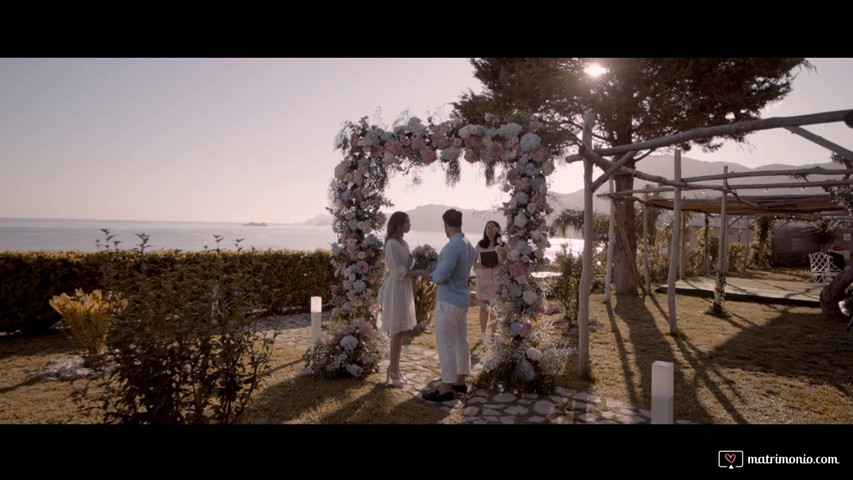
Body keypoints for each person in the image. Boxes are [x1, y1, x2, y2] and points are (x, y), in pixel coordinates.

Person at [421, 209, 476, 402]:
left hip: (448, 300)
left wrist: (430, 276)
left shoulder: (453, 246)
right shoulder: (468, 244)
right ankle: (459, 380)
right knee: (461, 341)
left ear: (445, 225)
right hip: (462, 298)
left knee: (446, 344)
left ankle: (445, 388)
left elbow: (442, 274)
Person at [377, 212, 430, 388]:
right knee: (397, 331)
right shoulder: (391, 244)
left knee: (402, 331)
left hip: (404, 287)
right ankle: (392, 369)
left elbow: (407, 266)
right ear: (399, 225)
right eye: (407, 222)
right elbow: (398, 271)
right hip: (396, 287)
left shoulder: (404, 243)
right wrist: (420, 272)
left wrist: (424, 261)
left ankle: (395, 369)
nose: (409, 225)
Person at [473, 221, 505, 343]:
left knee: (494, 307)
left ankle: (494, 334)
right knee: (483, 307)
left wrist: (501, 266)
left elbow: (508, 261)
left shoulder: (502, 245)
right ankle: (482, 334)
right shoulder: (480, 244)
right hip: (483, 278)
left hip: (496, 278)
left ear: (498, 230)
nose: (490, 230)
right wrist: (478, 265)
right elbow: (472, 260)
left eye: (493, 228)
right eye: (488, 228)